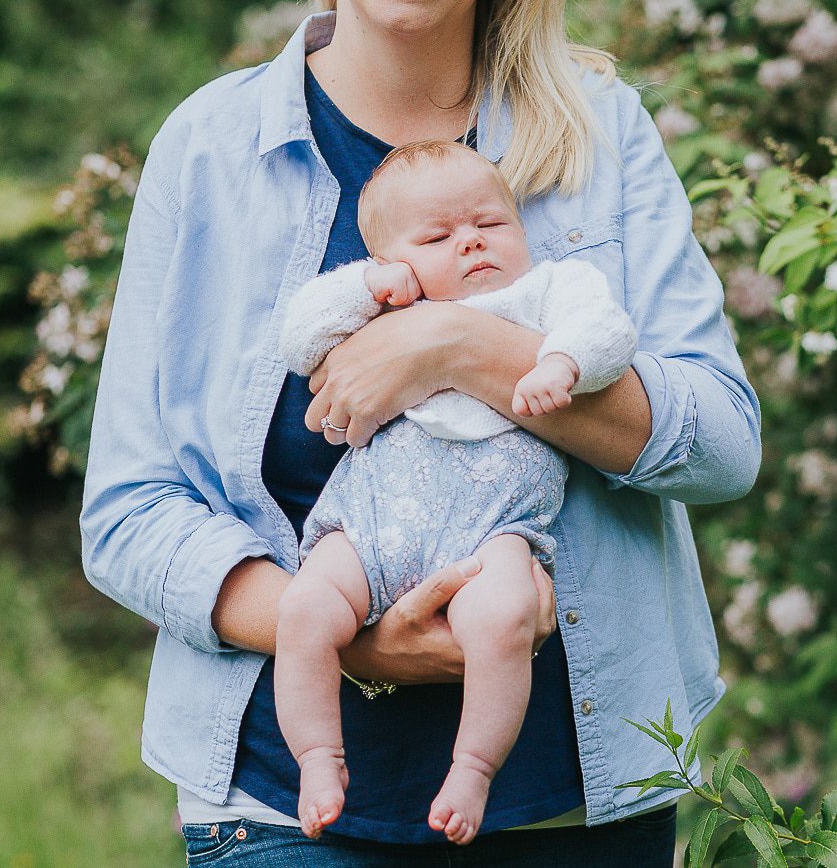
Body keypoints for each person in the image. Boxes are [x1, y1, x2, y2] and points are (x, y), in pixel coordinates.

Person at [79, 0, 762, 861]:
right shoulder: (209, 152)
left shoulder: (599, 128)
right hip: (282, 812)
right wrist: (334, 635)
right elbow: (128, 513)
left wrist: (460, 344)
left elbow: (723, 444)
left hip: (574, 807)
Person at [273, 139, 637, 844]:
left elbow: (608, 329)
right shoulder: (380, 312)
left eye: (490, 224)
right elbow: (300, 337)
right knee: (305, 609)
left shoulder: (543, 295)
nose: (471, 241)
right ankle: (319, 758)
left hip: (494, 529)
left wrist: (562, 360)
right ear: (391, 259)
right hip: (372, 526)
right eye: (438, 236)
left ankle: (472, 766)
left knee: (503, 617)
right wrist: (366, 288)